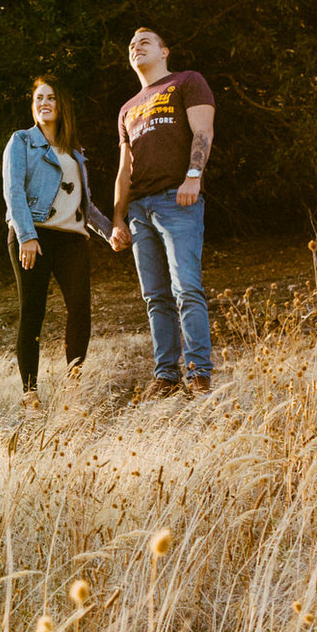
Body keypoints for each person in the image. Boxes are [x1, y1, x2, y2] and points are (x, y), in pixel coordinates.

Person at [106, 27, 216, 396]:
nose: (136, 47)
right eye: (132, 44)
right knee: (155, 296)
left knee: (186, 287)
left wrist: (193, 177)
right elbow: (125, 168)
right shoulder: (127, 109)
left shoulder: (187, 81)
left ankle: (199, 373)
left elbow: (203, 133)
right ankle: (166, 376)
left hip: (177, 199)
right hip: (139, 209)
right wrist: (118, 217)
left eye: (145, 42)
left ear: (164, 51)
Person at [2, 76, 115, 411]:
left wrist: (111, 233)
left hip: (72, 240)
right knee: (32, 311)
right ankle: (29, 392)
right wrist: (27, 236)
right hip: (34, 235)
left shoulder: (76, 152)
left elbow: (86, 205)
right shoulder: (22, 141)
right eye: (38, 98)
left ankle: (73, 381)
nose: (44, 103)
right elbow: (14, 192)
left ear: (61, 104)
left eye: (50, 97)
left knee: (80, 308)